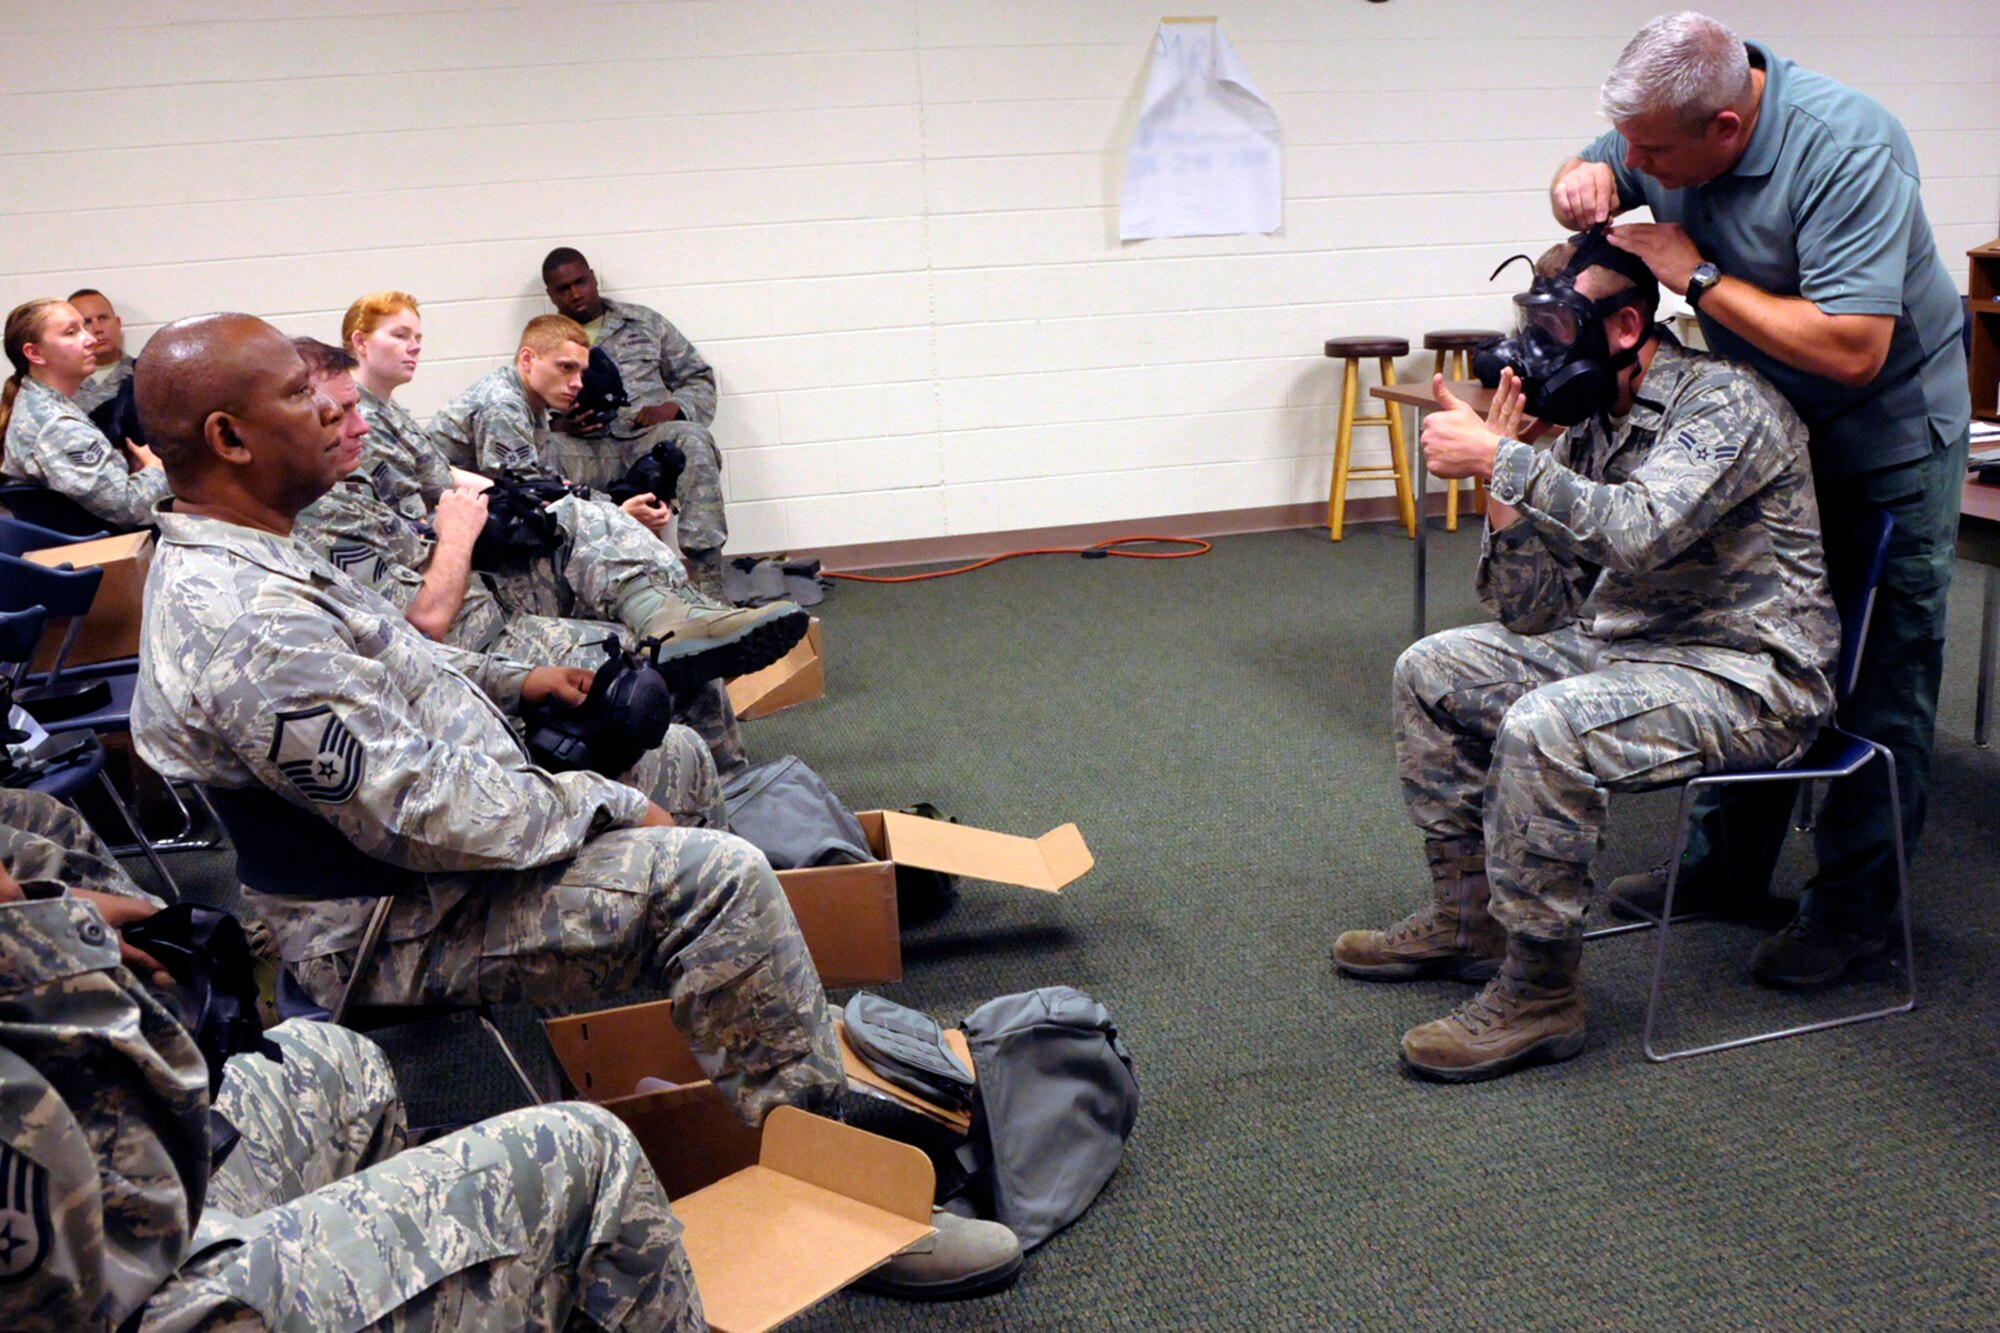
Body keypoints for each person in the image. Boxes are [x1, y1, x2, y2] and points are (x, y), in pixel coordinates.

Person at [124, 313, 1019, 1295]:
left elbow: (393, 660)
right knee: (711, 876)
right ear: (229, 437)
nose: (333, 413)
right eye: (297, 395)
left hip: (432, 858)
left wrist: (515, 686)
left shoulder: (257, 557)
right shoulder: (245, 619)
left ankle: (737, 1040)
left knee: (671, 759)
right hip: (390, 921)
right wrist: (597, 806)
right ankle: (847, 1196)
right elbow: (417, 812)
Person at [1330, 234, 1838, 1082]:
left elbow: (1638, 531)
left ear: (1629, 323)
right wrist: (1503, 488)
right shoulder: (1595, 422)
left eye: (1558, 330)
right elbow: (1534, 610)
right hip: (1633, 651)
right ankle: (1468, 919)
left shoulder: (1722, 405)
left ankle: (1540, 989)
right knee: (1432, 668)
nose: (1537, 351)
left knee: (1546, 725)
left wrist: (1508, 460)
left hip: (1751, 676)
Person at [1551, 12, 1971, 986]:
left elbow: (1851, 344)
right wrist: (1572, 181)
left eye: (1651, 152)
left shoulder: (1846, 147)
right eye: (1628, 145)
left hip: (1886, 433)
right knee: (1740, 640)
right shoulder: (1663, 118)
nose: (1633, 162)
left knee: (1877, 671)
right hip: (1769, 433)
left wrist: (1693, 274)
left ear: (1726, 130)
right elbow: (1598, 165)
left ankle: (1855, 911)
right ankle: (1723, 871)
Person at [0, 785, 710, 1332]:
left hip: (94, 1225)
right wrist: (37, 947)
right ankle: (817, 1120)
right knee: (590, 1157)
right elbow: (117, 1215)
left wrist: (42, 907)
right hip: (100, 1285)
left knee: (338, 1067)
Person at [294, 333, 784, 774]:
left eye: (356, 409)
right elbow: (426, 623)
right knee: (641, 654)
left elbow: (456, 488)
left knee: (583, 529)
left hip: (482, 595)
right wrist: (458, 532)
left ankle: (672, 618)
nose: (360, 427)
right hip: (465, 646)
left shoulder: (348, 473)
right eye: (338, 416)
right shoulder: (322, 508)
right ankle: (720, 769)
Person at [542, 248, 730, 599]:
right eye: (563, 288)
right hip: (586, 448)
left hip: (646, 435)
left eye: (580, 282)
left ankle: (709, 584)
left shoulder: (644, 323)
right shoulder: (543, 342)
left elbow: (698, 378)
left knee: (691, 438)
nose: (574, 293)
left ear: (593, 278)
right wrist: (560, 426)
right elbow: (526, 408)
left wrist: (673, 407)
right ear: (551, 295)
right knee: (536, 454)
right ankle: (563, 592)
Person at [0, 297, 169, 529]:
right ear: (35, 354)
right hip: (107, 549)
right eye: (71, 332)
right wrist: (155, 467)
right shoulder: (57, 427)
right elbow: (128, 508)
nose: (90, 339)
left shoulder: (38, 403)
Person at [67, 288, 135, 417]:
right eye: (86, 322)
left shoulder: (144, 377)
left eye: (103, 318)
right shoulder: (60, 383)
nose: (98, 329)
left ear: (118, 323)